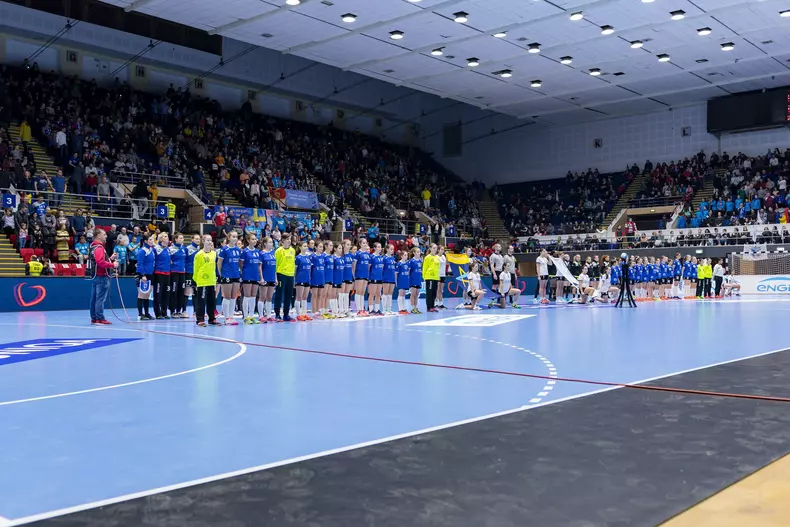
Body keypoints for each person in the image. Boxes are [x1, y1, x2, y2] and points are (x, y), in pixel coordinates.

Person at [87, 228, 119, 325]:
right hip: (102, 276)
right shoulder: (99, 248)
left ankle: (94, 318)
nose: (106, 236)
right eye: (104, 234)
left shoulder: (92, 247)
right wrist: (113, 265)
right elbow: (100, 262)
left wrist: (110, 259)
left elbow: (99, 261)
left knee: (94, 298)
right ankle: (99, 318)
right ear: (98, 236)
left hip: (96, 276)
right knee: (100, 299)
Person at [193, 235, 220, 327]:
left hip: (211, 281)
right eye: (208, 240)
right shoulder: (199, 254)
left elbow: (214, 267)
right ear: (203, 241)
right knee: (201, 301)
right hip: (202, 281)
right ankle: (200, 319)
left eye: (211, 240)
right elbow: (195, 269)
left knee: (211, 301)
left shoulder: (214, 254)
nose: (210, 242)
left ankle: (212, 318)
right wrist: (196, 280)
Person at [216, 231, 242, 325]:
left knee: (233, 297)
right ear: (229, 237)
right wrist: (221, 275)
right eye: (233, 237)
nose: (235, 238)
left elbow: (239, 263)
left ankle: (231, 316)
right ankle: (226, 317)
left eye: (236, 237)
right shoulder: (224, 249)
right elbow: (219, 263)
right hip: (226, 275)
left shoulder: (238, 250)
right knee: (226, 297)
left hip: (236, 275)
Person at [240, 233, 263, 324]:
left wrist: (260, 277)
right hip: (247, 275)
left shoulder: (258, 252)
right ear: (248, 240)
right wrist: (245, 271)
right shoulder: (245, 251)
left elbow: (259, 265)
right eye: (253, 239)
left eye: (255, 239)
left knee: (254, 296)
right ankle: (246, 317)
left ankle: (251, 316)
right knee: (246, 296)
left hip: (255, 276)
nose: (255, 240)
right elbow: (241, 264)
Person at [273, 234, 296, 321]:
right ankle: (277, 314)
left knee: (289, 295)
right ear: (282, 240)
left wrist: (294, 277)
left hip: (290, 275)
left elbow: (293, 265)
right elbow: (275, 265)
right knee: (279, 295)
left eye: (290, 239)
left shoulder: (293, 250)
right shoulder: (278, 251)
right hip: (281, 275)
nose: (289, 240)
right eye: (287, 239)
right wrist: (275, 277)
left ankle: (286, 314)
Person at [135, 234, 156, 320]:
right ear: (146, 241)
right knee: (141, 294)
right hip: (143, 275)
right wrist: (143, 275)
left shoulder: (151, 250)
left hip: (150, 274)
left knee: (147, 294)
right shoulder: (142, 251)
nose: (152, 241)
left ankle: (147, 313)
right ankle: (140, 314)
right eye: (150, 240)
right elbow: (140, 263)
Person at [152, 232, 172, 319]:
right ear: (160, 239)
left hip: (167, 273)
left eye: (167, 236)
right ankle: (158, 313)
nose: (166, 238)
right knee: (158, 294)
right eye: (164, 236)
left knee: (166, 294)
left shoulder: (168, 249)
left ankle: (164, 312)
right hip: (159, 273)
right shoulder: (156, 249)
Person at [258, 237, 277, 322]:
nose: (271, 243)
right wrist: (261, 278)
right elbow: (260, 267)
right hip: (264, 277)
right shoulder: (261, 253)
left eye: (272, 242)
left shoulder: (273, 253)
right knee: (262, 297)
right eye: (269, 242)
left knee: (269, 297)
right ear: (265, 243)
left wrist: (275, 278)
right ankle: (261, 315)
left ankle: (269, 315)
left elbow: (274, 267)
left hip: (272, 278)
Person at [294, 241, 313, 321]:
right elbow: (295, 270)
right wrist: (294, 280)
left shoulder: (308, 257)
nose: (306, 248)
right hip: (300, 278)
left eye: (306, 246)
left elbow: (310, 269)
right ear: (300, 247)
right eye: (304, 246)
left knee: (305, 297)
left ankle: (304, 313)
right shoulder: (298, 258)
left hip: (307, 279)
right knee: (299, 297)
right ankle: (298, 314)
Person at [353, 239, 371, 316]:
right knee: (358, 291)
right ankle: (358, 310)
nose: (365, 244)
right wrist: (354, 275)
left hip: (365, 275)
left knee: (362, 292)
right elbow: (354, 265)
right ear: (360, 244)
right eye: (363, 243)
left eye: (365, 243)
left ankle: (362, 309)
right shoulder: (358, 253)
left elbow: (367, 266)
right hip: (359, 274)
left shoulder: (367, 254)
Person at [423, 243, 441, 312]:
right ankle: (429, 307)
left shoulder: (437, 257)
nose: (435, 249)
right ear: (430, 249)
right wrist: (424, 277)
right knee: (429, 293)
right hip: (429, 277)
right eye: (433, 248)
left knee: (434, 293)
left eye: (436, 248)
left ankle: (433, 306)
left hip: (436, 277)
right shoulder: (427, 257)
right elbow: (424, 267)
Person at [368, 242, 384, 315]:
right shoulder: (372, 257)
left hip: (380, 278)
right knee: (372, 294)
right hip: (373, 277)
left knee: (378, 294)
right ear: (374, 248)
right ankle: (371, 310)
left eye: (380, 247)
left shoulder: (381, 257)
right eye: (378, 247)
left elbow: (382, 268)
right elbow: (368, 268)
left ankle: (377, 309)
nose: (379, 248)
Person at [382, 243, 397, 315]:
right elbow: (382, 269)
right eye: (391, 249)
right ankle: (384, 309)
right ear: (387, 249)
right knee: (385, 293)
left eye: (393, 249)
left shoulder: (393, 258)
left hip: (392, 278)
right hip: (386, 277)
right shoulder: (384, 258)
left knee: (390, 293)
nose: (392, 250)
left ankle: (389, 309)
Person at [409, 247, 423, 314]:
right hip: (413, 279)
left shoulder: (420, 261)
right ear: (414, 253)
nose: (418, 253)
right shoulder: (411, 261)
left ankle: (415, 307)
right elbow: (409, 271)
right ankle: (412, 308)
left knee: (417, 294)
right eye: (417, 252)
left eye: (419, 252)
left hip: (418, 279)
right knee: (413, 294)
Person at [396, 250, 411, 315]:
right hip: (401, 280)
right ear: (401, 256)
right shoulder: (399, 263)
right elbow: (396, 274)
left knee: (404, 294)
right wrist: (396, 282)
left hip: (405, 280)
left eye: (407, 255)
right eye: (405, 255)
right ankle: (400, 309)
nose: (406, 256)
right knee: (400, 294)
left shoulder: (407, 263)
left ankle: (404, 308)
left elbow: (408, 272)